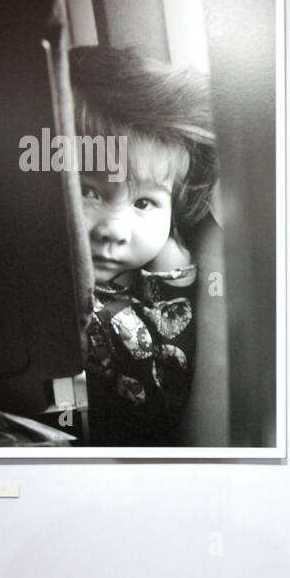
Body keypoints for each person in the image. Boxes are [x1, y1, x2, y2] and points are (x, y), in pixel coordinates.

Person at [69, 45, 218, 447]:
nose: (114, 231)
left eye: (143, 203)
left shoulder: (145, 290)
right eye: (90, 192)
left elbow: (164, 392)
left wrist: (171, 279)